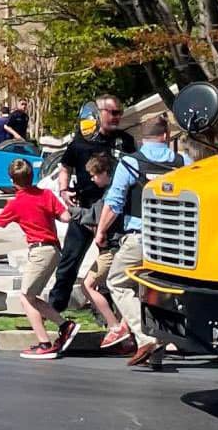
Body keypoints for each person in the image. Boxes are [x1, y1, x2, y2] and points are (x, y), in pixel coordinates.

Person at [96, 114, 190, 368]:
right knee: (156, 289)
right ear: (167, 135)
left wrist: (101, 231)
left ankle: (146, 335)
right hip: (177, 240)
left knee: (117, 281)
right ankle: (156, 354)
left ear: (142, 137)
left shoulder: (130, 163)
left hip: (142, 237)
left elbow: (114, 203)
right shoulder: (184, 162)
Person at [0, 159, 78, 359]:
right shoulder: (46, 195)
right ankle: (64, 326)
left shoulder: (16, 203)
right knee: (32, 295)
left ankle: (45, 341)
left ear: (12, 181)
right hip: (53, 249)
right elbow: (66, 217)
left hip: (39, 250)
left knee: (26, 297)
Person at [49, 94, 136, 312]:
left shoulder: (125, 141)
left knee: (110, 264)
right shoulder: (81, 141)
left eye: (120, 113)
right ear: (99, 113)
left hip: (113, 212)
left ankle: (106, 311)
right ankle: (56, 308)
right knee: (70, 259)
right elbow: (65, 166)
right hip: (85, 207)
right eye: (113, 112)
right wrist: (63, 189)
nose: (117, 117)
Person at [74, 154, 127, 349]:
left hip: (110, 248)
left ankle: (114, 326)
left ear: (105, 173)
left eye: (94, 175)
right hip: (117, 247)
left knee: (87, 285)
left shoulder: (110, 196)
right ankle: (124, 328)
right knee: (121, 288)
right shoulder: (117, 191)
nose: (92, 179)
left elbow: (94, 218)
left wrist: (73, 211)